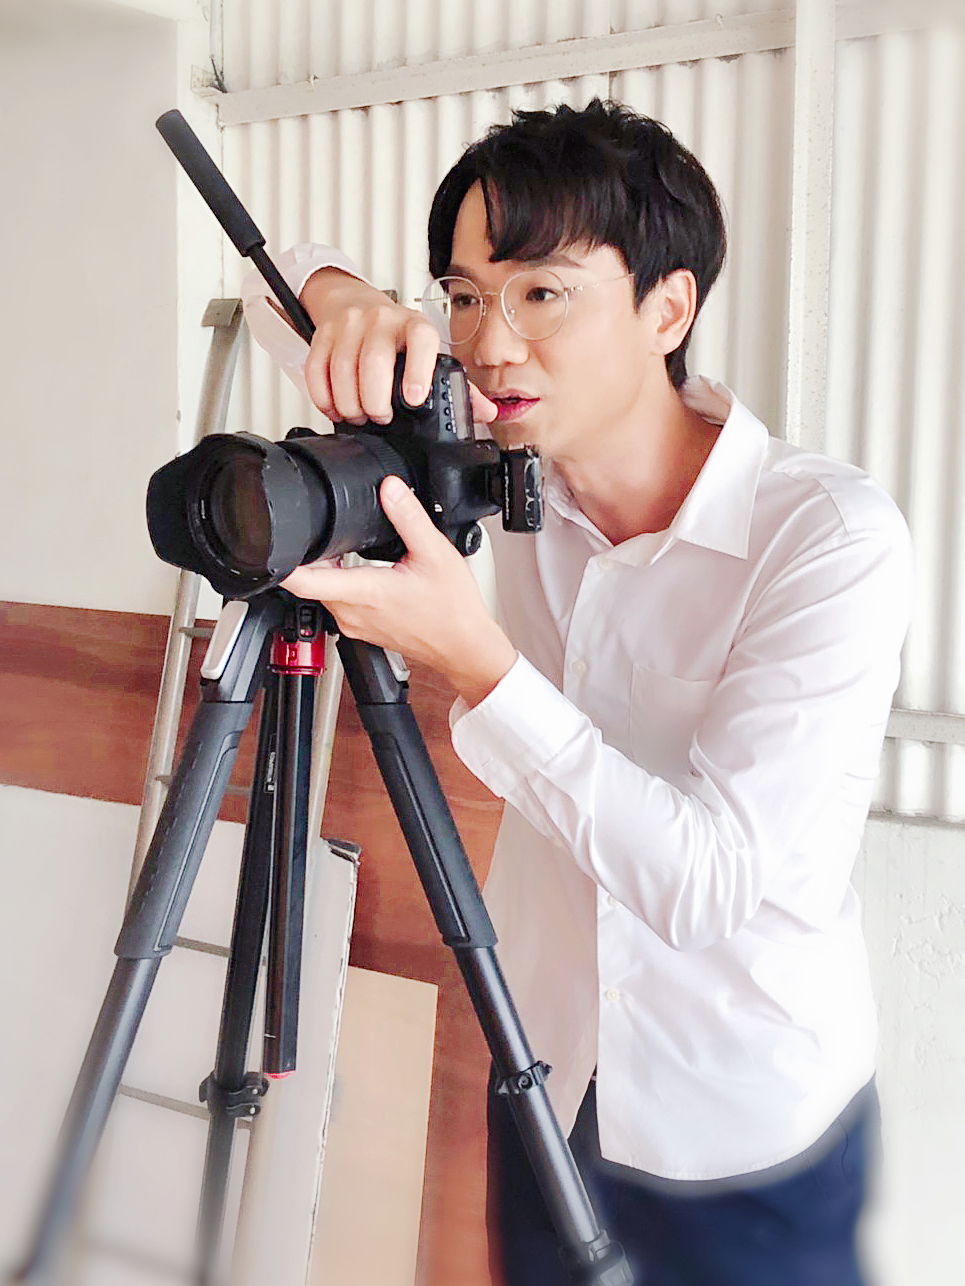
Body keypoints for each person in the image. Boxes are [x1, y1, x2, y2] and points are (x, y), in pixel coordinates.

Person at [241, 100, 911, 1285]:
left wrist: (478, 663)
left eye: (542, 293)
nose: (490, 344)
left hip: (743, 1123)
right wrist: (350, 306)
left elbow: (705, 883)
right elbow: (268, 279)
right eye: (462, 295)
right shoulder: (497, 451)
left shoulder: (824, 537)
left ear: (667, 309)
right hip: (545, 1067)